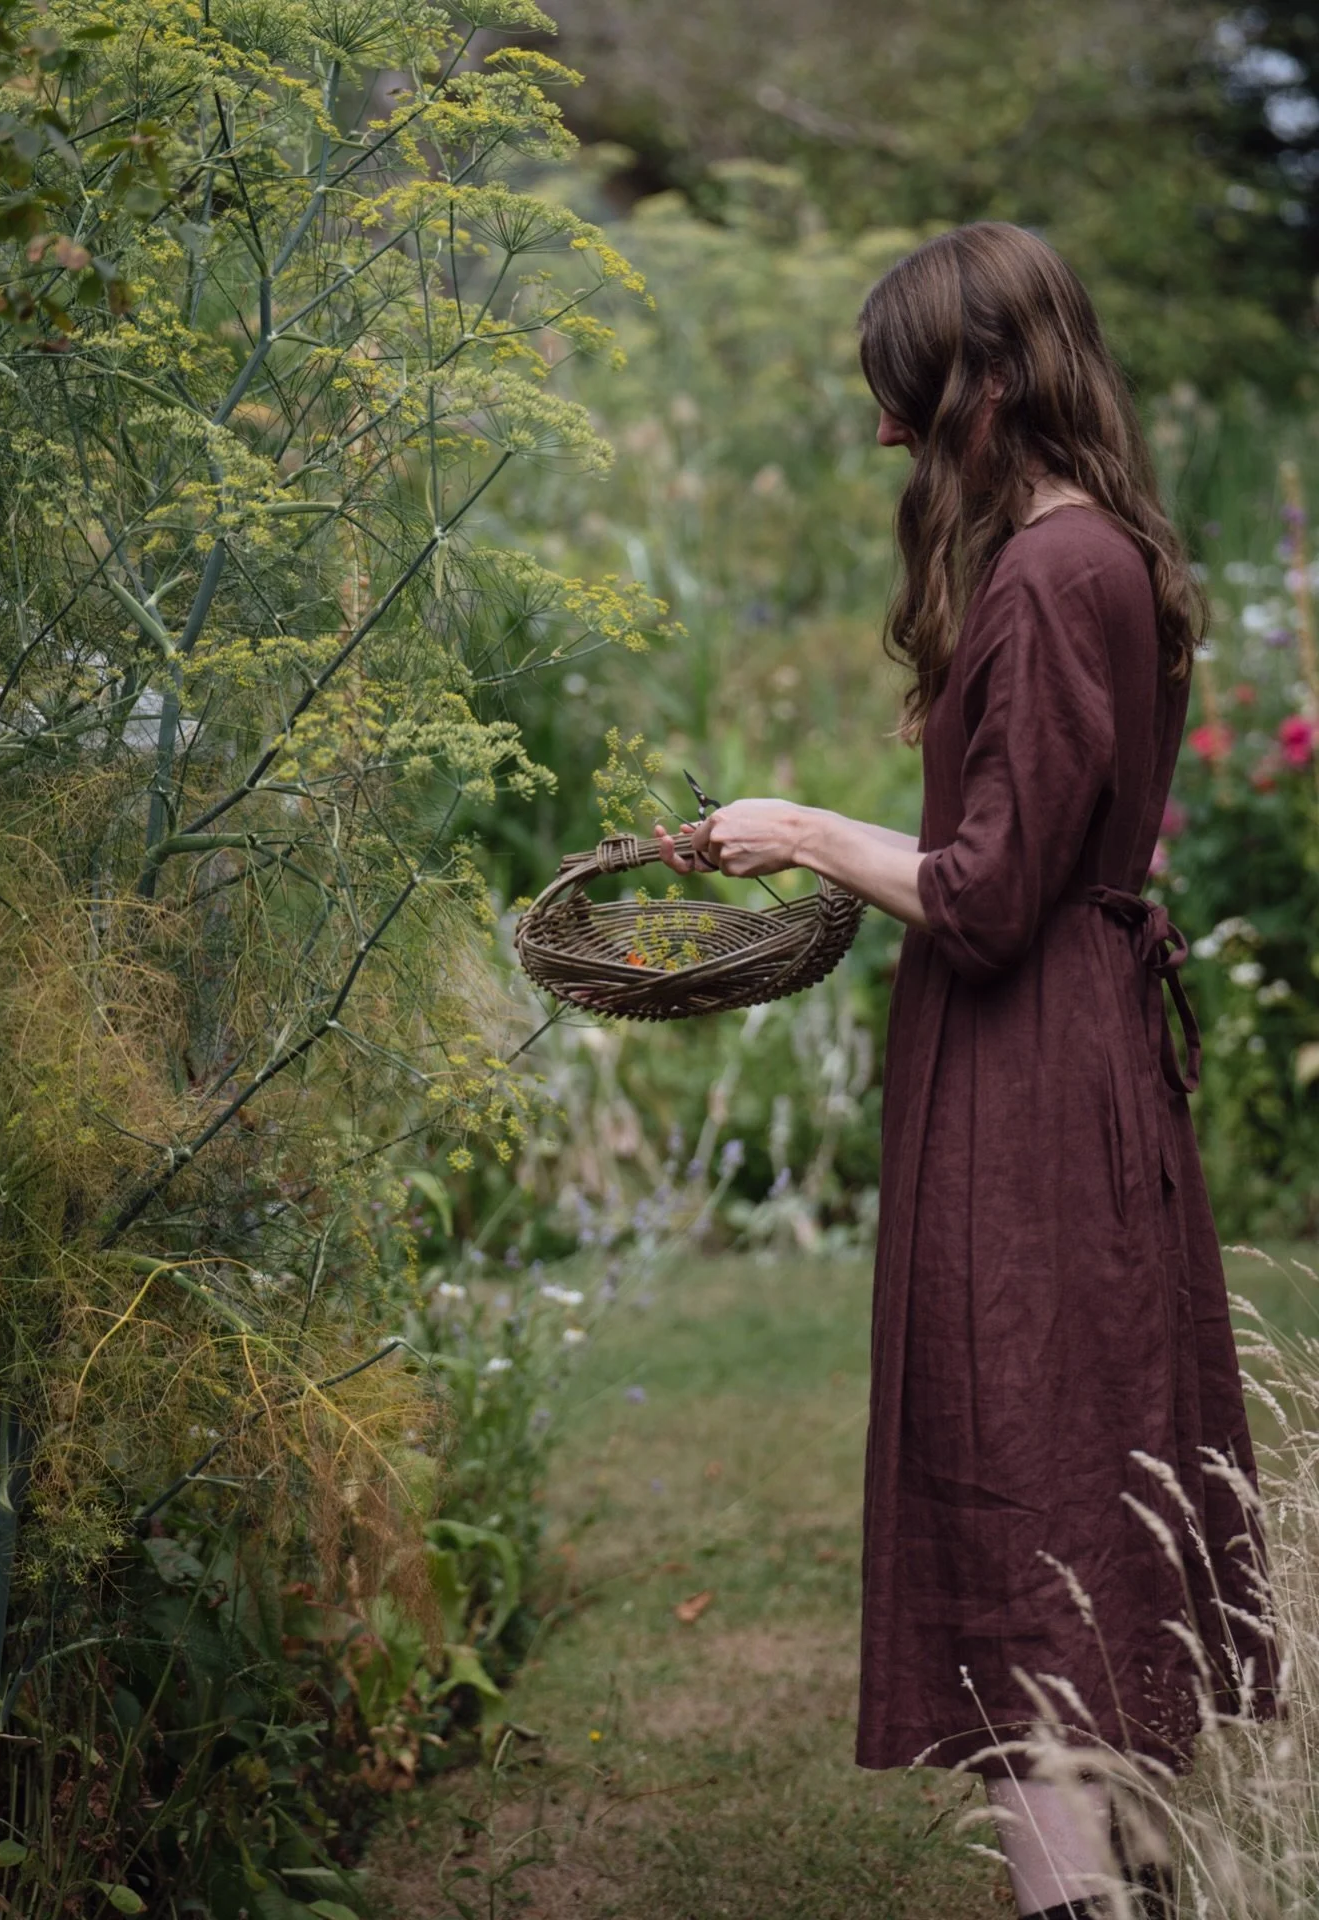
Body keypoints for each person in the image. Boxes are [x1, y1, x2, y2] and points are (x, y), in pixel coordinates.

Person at [654, 223, 1273, 1920]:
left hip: (1033, 1081)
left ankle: (1087, 1905)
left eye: (908, 402)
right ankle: (1140, 1896)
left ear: (990, 385)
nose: (886, 440)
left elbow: (990, 898)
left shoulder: (1054, 574)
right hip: (1062, 1064)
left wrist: (795, 829)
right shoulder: (1087, 558)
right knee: (1073, 1482)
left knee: (1028, 1507)